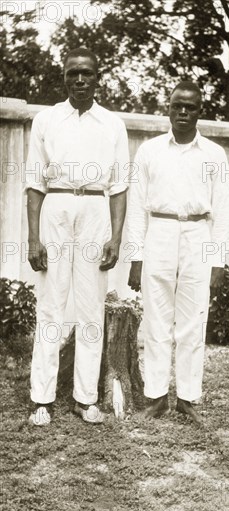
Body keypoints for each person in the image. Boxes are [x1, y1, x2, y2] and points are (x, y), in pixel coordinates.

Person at [26, 48, 129, 426]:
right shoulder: (46, 120)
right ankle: (42, 397)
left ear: (98, 77)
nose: (80, 80)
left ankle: (85, 399)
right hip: (56, 208)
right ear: (64, 77)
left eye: (87, 73)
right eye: (73, 74)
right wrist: (33, 238)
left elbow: (119, 187)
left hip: (95, 212)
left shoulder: (112, 124)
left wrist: (116, 237)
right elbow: (35, 183)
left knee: (90, 308)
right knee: (51, 305)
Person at [127, 81, 229, 425]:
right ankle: (156, 396)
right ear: (168, 109)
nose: (183, 113)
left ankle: (187, 397)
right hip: (159, 230)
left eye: (190, 108)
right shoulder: (149, 151)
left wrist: (217, 259)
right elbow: (135, 206)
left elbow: (224, 210)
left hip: (198, 234)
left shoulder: (214, 154)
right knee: (157, 319)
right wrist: (135, 254)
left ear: (200, 111)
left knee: (192, 321)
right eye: (177, 107)